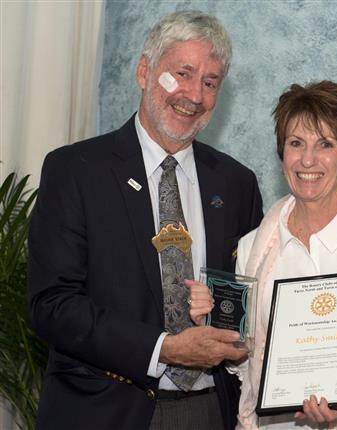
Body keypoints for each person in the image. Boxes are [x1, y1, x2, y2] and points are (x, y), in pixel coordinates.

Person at [27, 10, 263, 430]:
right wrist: (163, 348)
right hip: (103, 412)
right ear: (143, 72)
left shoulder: (236, 183)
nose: (194, 95)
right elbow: (53, 306)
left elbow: (246, 303)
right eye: (182, 74)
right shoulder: (76, 170)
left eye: (210, 83)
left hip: (210, 411)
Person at [189, 81, 337, 429]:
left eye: (325, 144)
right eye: (296, 143)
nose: (307, 160)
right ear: (282, 155)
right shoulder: (251, 247)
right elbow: (247, 363)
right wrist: (218, 328)